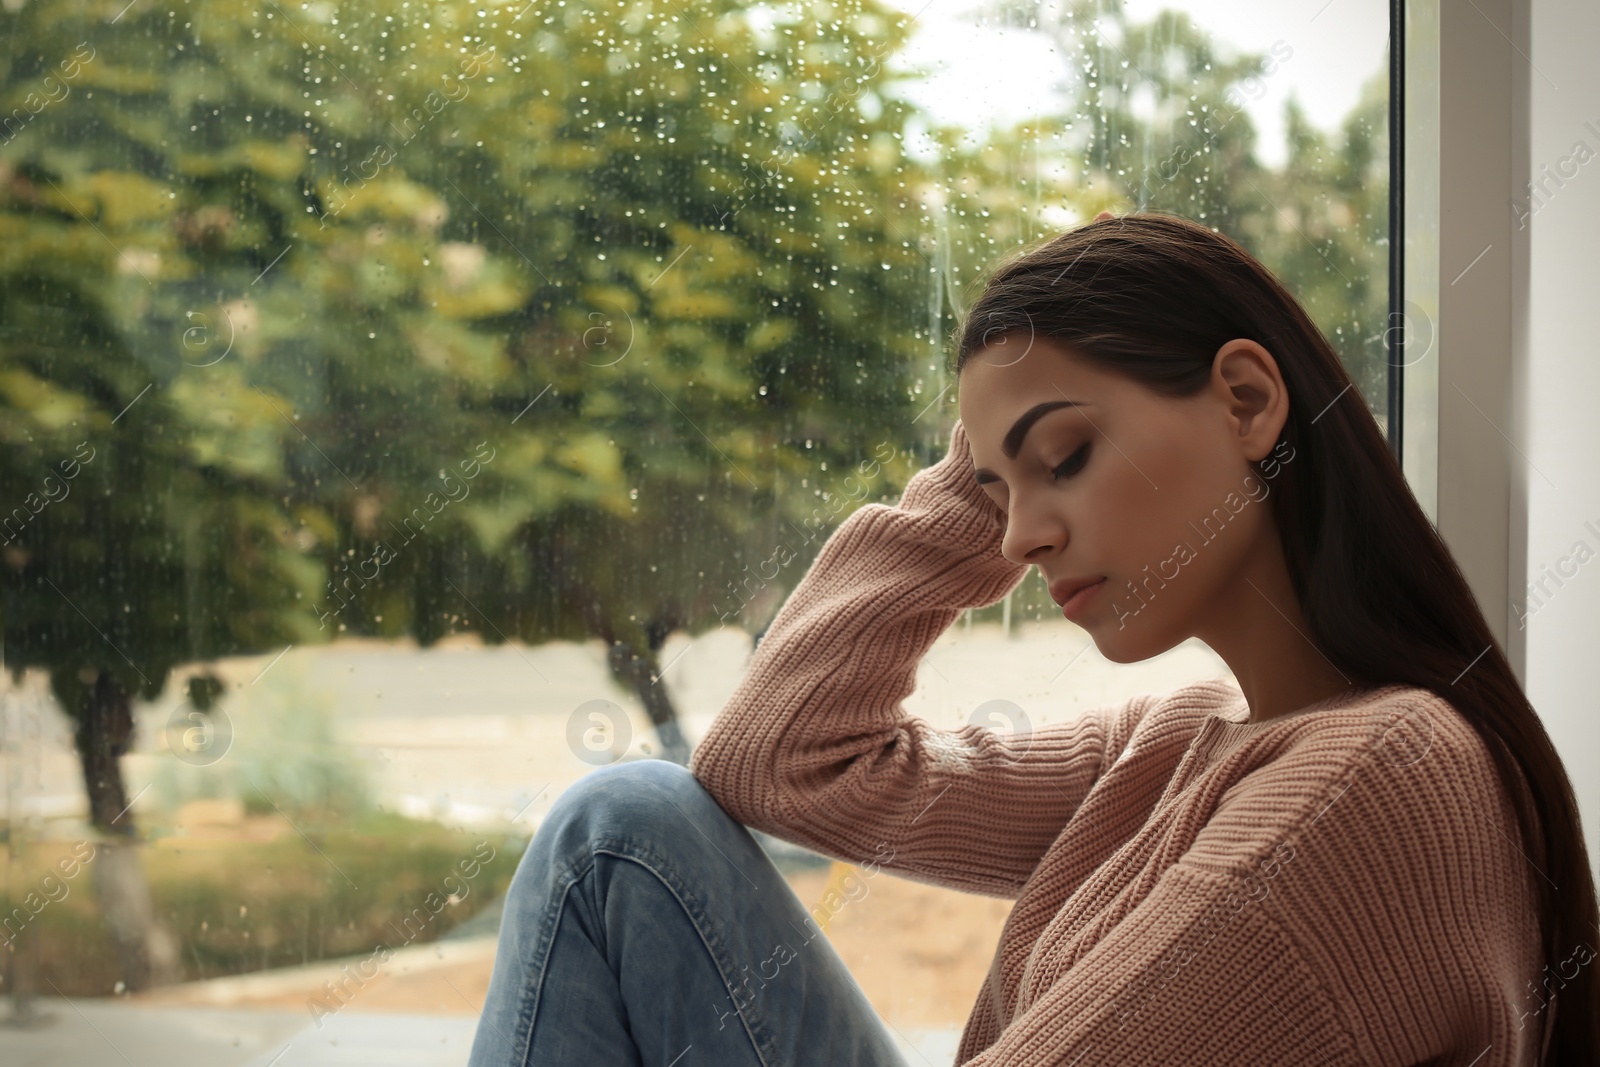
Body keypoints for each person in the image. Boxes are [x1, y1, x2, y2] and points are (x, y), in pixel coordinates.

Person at [468, 212, 1598, 1065]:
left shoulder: (1377, 772)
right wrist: (984, 464)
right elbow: (783, 762)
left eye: (1062, 456)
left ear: (1248, 402)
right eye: (994, 483)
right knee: (627, 823)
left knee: (615, 831)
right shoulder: (1184, 738)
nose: (1019, 534)